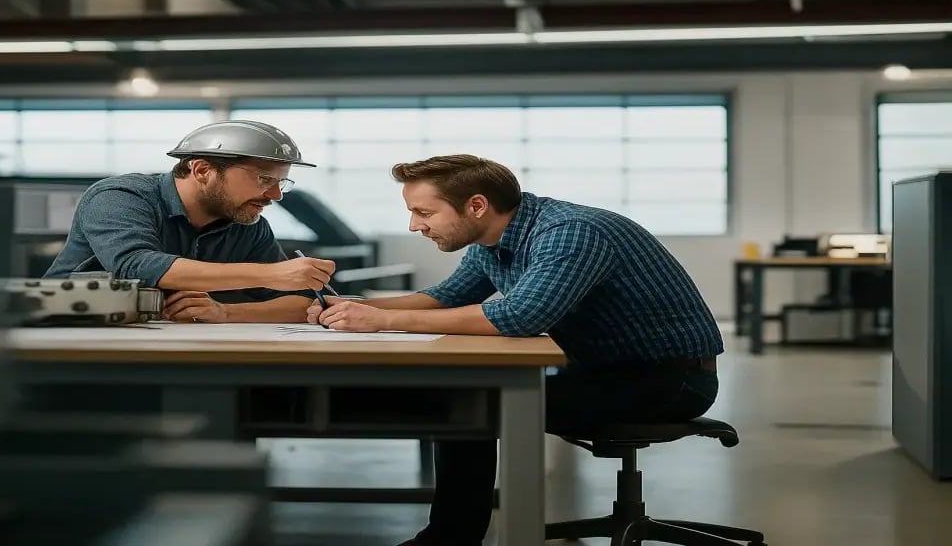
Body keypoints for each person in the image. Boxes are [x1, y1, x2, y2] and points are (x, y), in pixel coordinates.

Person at [306, 154, 724, 546]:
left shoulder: (571, 232)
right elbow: (443, 297)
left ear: (476, 206)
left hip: (671, 381)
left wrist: (384, 321)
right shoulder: (494, 243)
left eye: (424, 212)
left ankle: (450, 540)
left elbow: (521, 317)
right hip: (603, 372)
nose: (416, 226)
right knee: (468, 400)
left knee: (473, 406)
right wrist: (349, 307)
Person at [45, 120, 334, 323]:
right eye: (264, 179)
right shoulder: (120, 197)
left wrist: (226, 313)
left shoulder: (248, 225)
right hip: (70, 336)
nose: (275, 195)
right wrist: (271, 274)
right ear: (202, 170)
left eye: (281, 182)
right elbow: (138, 266)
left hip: (164, 344)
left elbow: (301, 304)